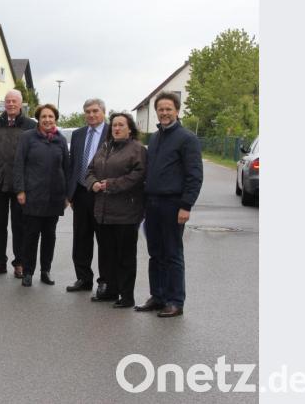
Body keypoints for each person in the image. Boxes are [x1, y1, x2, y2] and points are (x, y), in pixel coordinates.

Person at [135, 92, 203, 318]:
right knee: (155, 253)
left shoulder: (187, 139)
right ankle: (158, 296)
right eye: (160, 109)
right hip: (152, 204)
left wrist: (186, 205)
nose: (164, 113)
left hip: (174, 204)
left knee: (172, 253)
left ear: (177, 111)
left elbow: (194, 175)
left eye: (168, 109)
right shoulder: (154, 138)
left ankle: (175, 301)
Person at [85, 113, 146, 308]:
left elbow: (138, 175)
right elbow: (89, 170)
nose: (117, 128)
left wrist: (110, 184)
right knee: (106, 254)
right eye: (114, 126)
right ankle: (110, 290)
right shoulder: (105, 147)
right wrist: (93, 183)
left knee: (125, 257)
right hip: (103, 211)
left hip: (126, 212)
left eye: (121, 125)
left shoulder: (137, 149)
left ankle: (127, 296)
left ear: (130, 129)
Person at [0, 89, 37, 278]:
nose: (11, 104)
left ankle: (19, 263)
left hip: (20, 185)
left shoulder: (30, 125)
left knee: (19, 225)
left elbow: (34, 154)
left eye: (14, 101)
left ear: (20, 104)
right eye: (8, 101)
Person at [14, 104, 69, 287]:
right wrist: (20, 190)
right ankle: (28, 271)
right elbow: (19, 164)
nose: (47, 119)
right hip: (32, 196)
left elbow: (67, 168)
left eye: (51, 116)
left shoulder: (60, 140)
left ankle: (45, 271)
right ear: (38, 119)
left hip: (54, 197)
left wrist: (67, 195)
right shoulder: (27, 137)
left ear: (55, 119)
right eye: (44, 116)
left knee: (49, 236)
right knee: (30, 236)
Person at [65, 98, 110, 294]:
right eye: (88, 111)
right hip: (81, 193)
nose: (91, 115)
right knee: (81, 238)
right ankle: (83, 278)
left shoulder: (112, 132)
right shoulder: (78, 134)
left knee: (104, 239)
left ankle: (105, 280)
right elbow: (73, 164)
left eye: (95, 111)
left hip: (103, 193)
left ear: (103, 112)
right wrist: (70, 194)